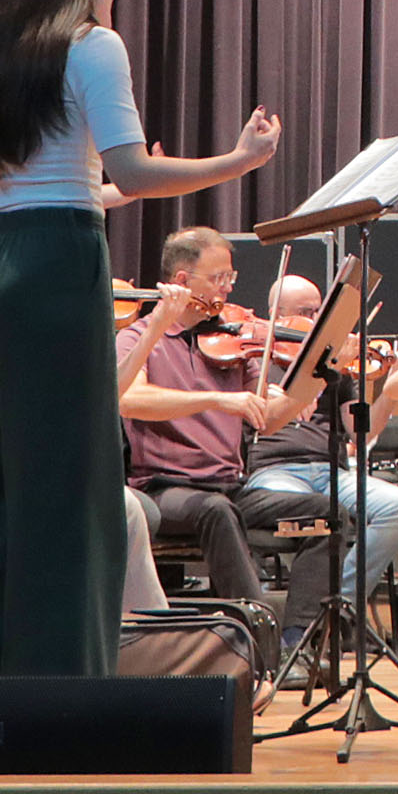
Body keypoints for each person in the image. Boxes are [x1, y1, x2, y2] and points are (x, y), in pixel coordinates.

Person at [0, 0, 277, 680]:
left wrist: (102, 199)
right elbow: (133, 170)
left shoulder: (4, 56)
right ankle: (62, 680)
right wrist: (240, 159)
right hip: (58, 263)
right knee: (71, 482)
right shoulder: (96, 44)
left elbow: (32, 184)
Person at [231, 271, 398, 657]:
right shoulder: (249, 357)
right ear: (276, 314)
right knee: (325, 517)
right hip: (273, 474)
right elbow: (261, 419)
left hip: (332, 471)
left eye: (319, 310)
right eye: (306, 311)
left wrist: (387, 391)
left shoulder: (334, 364)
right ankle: (312, 624)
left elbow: (360, 432)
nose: (316, 318)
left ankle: (338, 608)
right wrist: (315, 376)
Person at [121, 227, 295, 610]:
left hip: (230, 487)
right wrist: (218, 400)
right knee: (216, 511)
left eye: (230, 277)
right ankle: (254, 633)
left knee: (326, 515)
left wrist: (309, 381)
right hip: (165, 489)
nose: (228, 289)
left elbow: (268, 418)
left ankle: (301, 632)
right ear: (182, 281)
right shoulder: (139, 337)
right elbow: (130, 399)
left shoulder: (234, 341)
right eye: (219, 278)